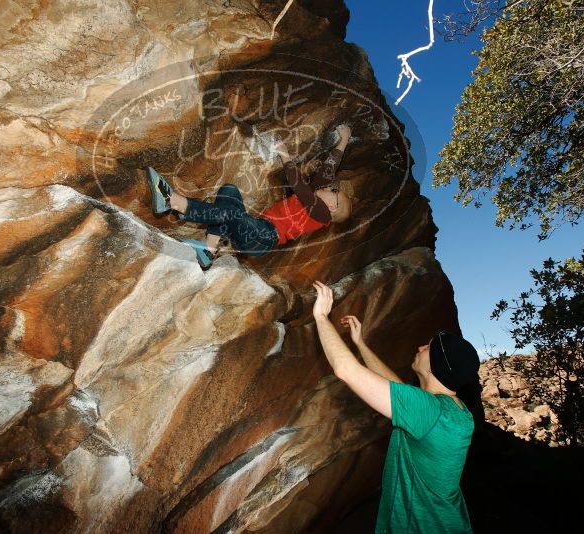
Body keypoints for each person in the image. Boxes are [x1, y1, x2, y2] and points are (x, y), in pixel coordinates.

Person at [311, 280, 483, 534]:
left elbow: (345, 370)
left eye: (429, 348)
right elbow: (397, 389)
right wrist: (360, 343)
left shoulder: (430, 412)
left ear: (436, 366)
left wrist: (321, 316)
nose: (420, 347)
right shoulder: (454, 411)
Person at [145, 125, 353, 269]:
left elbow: (298, 185)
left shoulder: (320, 214)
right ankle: (208, 250)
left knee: (231, 214)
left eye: (335, 192)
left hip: (264, 239)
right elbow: (327, 172)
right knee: (229, 192)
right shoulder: (317, 202)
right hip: (258, 231)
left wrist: (285, 155)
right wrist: (343, 141)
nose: (331, 188)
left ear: (332, 208)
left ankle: (172, 201)